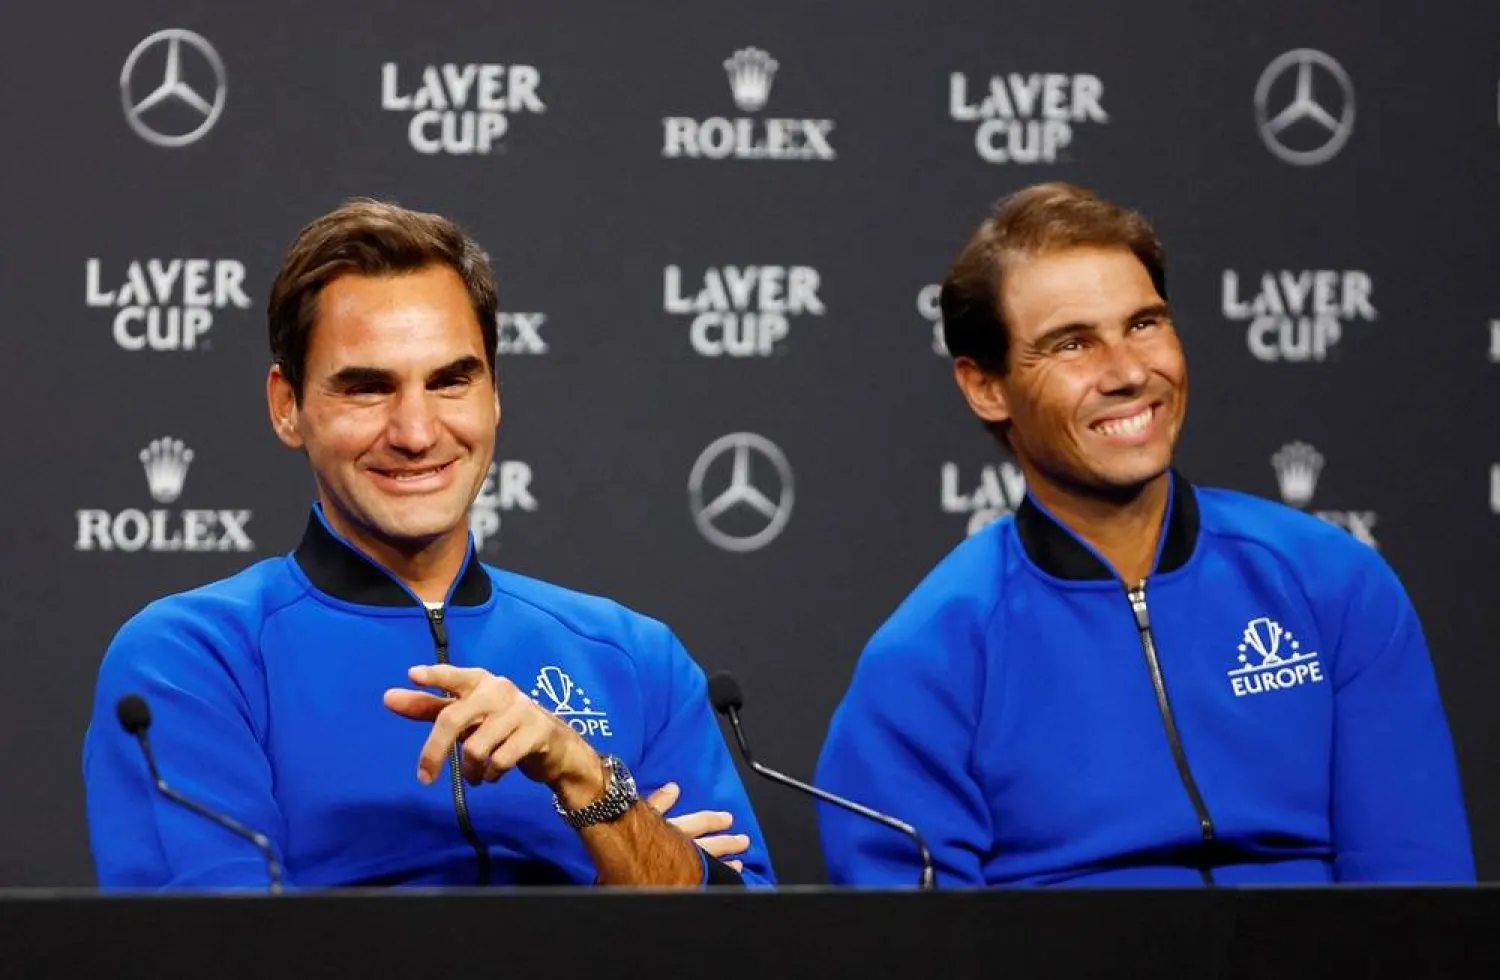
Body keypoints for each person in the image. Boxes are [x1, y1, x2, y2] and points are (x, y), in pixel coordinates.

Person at [84, 199, 772, 890]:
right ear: (286, 405)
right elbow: (219, 951)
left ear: (495, 394)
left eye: (450, 381)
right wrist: (626, 878)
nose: (415, 431)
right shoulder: (195, 658)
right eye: (367, 388)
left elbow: (741, 947)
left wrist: (586, 778)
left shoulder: (634, 657)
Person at [814, 182, 1474, 887]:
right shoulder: (930, 654)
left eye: (1144, 324)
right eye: (1072, 344)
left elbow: (1417, 903)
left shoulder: (1332, 584)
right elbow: (912, 951)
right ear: (986, 387)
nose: (1129, 373)